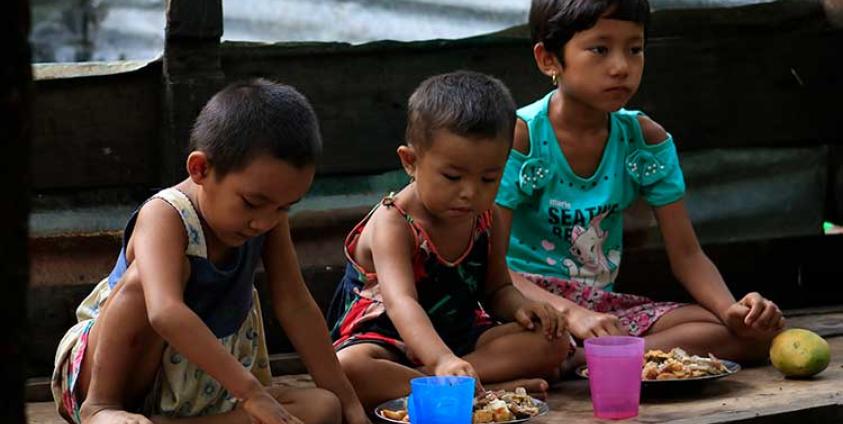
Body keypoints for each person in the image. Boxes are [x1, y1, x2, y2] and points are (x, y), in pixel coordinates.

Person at [51, 79, 370, 424]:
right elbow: (164, 311)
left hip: (201, 389)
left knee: (324, 407)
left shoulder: (267, 216)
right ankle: (101, 408)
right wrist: (251, 393)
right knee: (148, 279)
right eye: (252, 203)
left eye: (284, 207)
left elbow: (295, 303)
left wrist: (352, 408)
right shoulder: (165, 215)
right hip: (113, 373)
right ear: (200, 169)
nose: (263, 222)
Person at [496, 0, 784, 366]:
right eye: (600, 50)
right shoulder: (521, 138)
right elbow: (491, 268)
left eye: (634, 49)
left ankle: (584, 359)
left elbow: (687, 255)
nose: (621, 67)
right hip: (524, 303)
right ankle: (590, 355)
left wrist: (733, 312)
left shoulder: (644, 140)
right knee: (533, 345)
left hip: (601, 308)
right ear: (549, 59)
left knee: (753, 337)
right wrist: (571, 314)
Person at [326, 71, 572, 411]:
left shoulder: (488, 217)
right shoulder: (394, 223)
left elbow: (497, 289)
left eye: (489, 178)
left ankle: (443, 386)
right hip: (388, 341)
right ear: (411, 162)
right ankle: (480, 388)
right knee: (348, 369)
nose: (470, 192)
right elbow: (401, 303)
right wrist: (441, 360)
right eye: (452, 177)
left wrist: (520, 306)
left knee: (553, 340)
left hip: (460, 339)